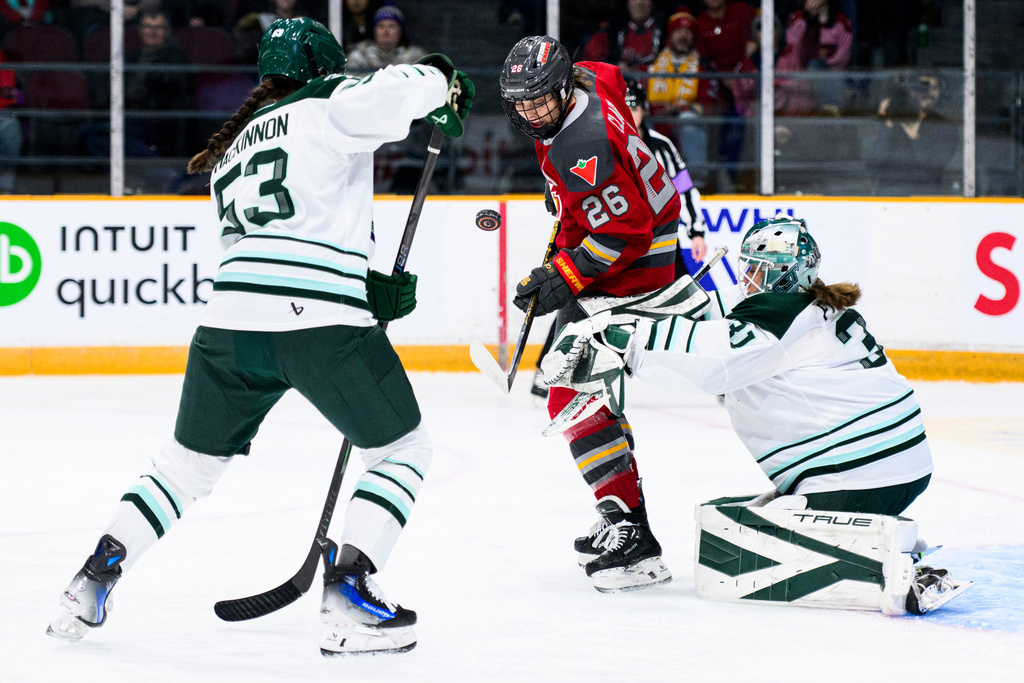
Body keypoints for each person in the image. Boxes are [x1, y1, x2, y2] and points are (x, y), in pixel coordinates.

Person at [46, 17, 473, 656]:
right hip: (318, 320)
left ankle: (90, 580)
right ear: (323, 68)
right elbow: (396, 91)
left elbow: (258, 246)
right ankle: (350, 591)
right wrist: (439, 77)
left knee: (182, 468)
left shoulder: (232, 149)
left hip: (229, 324)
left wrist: (358, 283)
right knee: (402, 448)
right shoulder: (326, 104)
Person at [542, 216, 970, 614]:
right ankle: (882, 545)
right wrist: (619, 316)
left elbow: (712, 362)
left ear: (782, 274)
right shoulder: (804, 303)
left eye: (757, 269)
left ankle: (885, 572)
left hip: (857, 473)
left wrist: (620, 340)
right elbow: (709, 314)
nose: (747, 277)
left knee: (736, 541)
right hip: (894, 466)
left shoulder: (777, 318)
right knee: (738, 519)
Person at [500, 35, 681, 593]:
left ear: (559, 86)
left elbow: (625, 234)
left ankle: (634, 535)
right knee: (585, 394)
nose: (530, 112)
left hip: (638, 265)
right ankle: (622, 513)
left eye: (538, 100)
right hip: (640, 236)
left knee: (569, 394)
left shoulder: (581, 146)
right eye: (520, 102)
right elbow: (614, 75)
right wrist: (565, 254)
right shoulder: (589, 78)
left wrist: (566, 275)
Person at [624, 77, 706, 280]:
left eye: (634, 108)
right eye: (623, 108)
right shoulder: (605, 146)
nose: (629, 114)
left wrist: (696, 232)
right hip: (621, 244)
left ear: (644, 110)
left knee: (685, 300)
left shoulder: (662, 146)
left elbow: (683, 189)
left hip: (662, 240)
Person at [645, 10, 718, 191]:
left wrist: (678, 110)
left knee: (689, 122)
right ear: (670, 35)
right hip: (656, 124)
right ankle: (646, 185)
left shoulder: (703, 67)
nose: (683, 36)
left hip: (683, 127)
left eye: (688, 32)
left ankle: (695, 186)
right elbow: (637, 101)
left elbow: (709, 107)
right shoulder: (652, 65)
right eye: (678, 31)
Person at [583, 0, 666, 73]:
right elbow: (590, 62)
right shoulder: (611, 29)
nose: (639, 2)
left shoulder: (666, 29)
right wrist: (614, 66)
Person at [346, 3, 425, 70]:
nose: (386, 30)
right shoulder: (360, 54)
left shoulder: (416, 56)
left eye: (391, 26)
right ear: (374, 30)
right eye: (381, 26)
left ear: (401, 31)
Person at [0, 48, 21, 192]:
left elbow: (9, 98)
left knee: (11, 129)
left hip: (3, 113)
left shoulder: (1, 57)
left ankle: (5, 191)